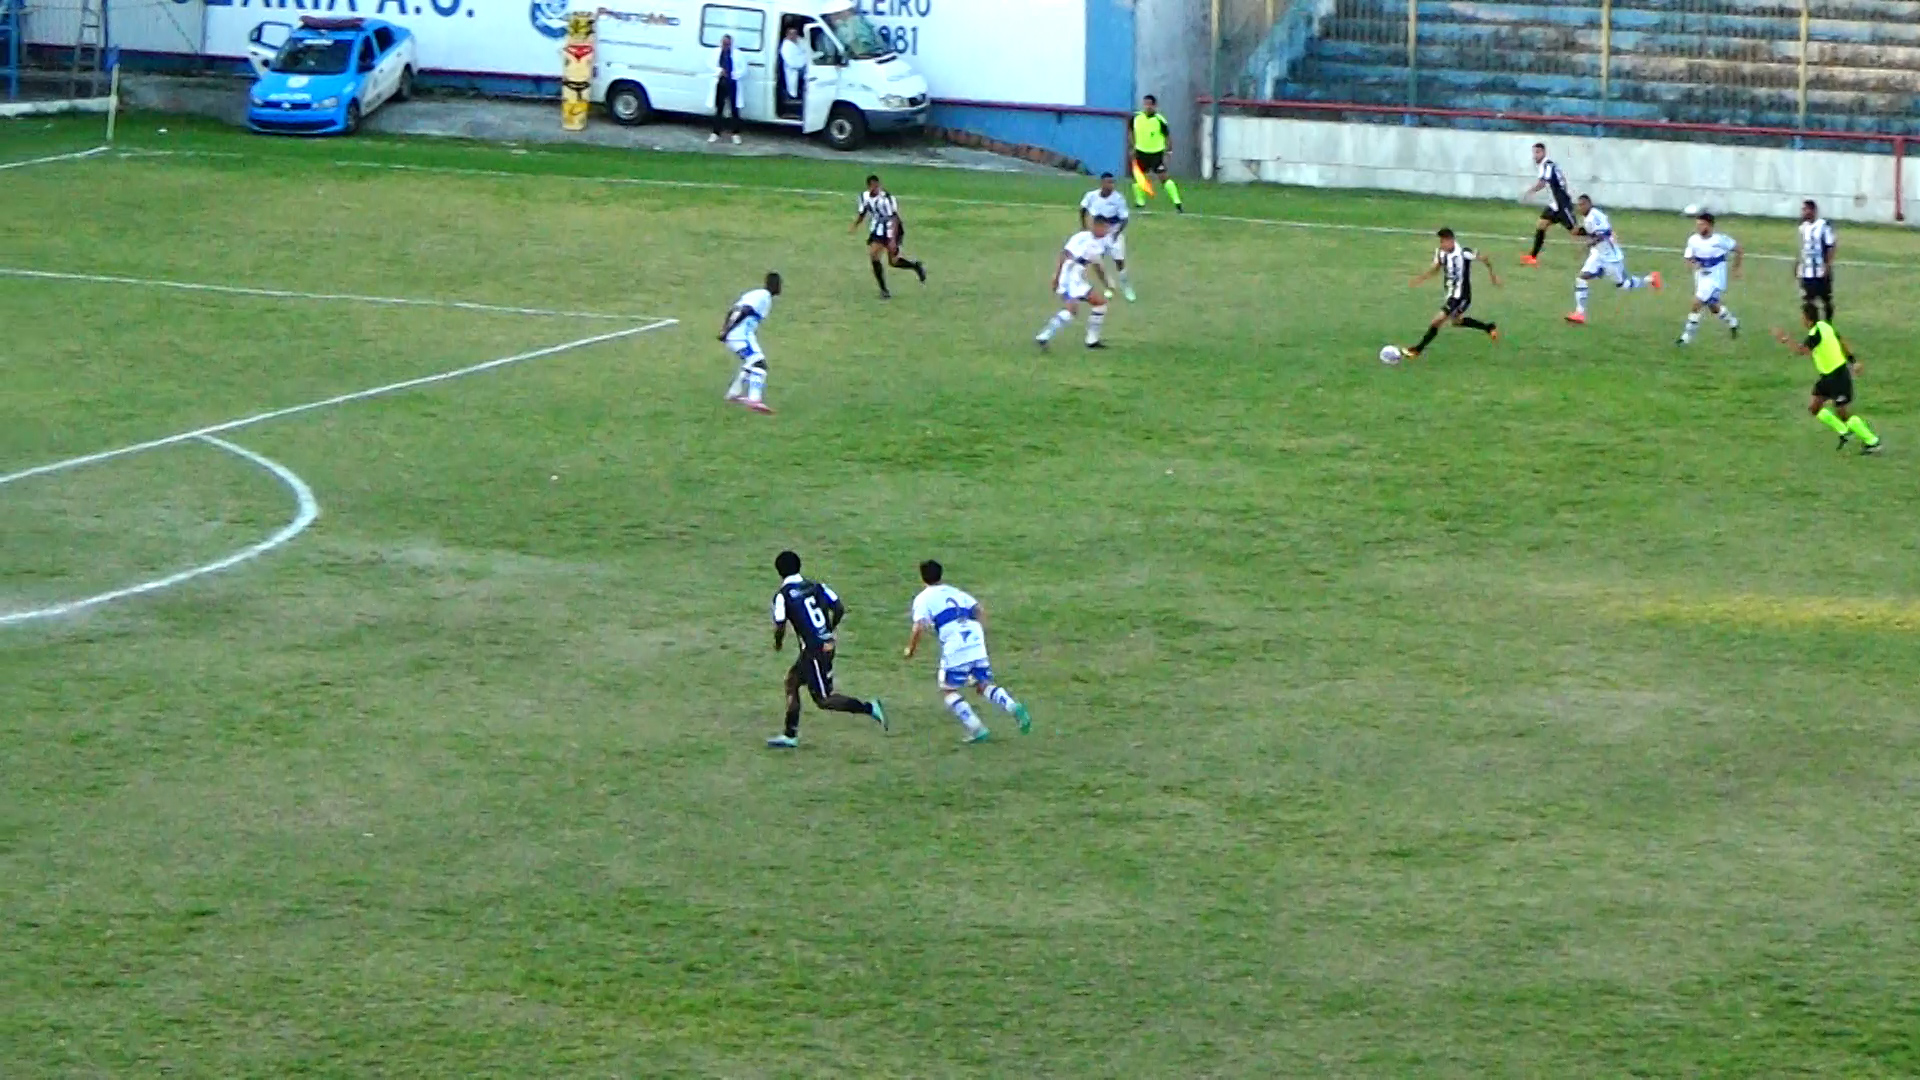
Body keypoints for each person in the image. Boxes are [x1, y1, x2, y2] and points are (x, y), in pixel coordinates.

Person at [767, 550, 886, 749]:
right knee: (792, 681)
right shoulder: (817, 586)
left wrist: (778, 643)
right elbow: (838, 607)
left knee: (824, 699)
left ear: (779, 571)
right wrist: (828, 630)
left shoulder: (783, 595)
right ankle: (790, 734)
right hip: (824, 646)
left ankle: (869, 708)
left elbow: (780, 624)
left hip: (814, 651)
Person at [902, 559, 1030, 744]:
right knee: (982, 684)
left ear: (922, 578)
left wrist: (910, 649)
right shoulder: (955, 592)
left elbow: (919, 626)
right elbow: (979, 610)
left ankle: (976, 729)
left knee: (948, 689)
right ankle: (1013, 706)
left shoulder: (923, 598)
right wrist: (980, 635)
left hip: (957, 644)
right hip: (975, 637)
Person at [1773, 307, 1881, 455]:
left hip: (1838, 375)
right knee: (1814, 407)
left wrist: (1786, 340)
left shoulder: (1816, 333)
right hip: (1827, 376)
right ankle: (1844, 431)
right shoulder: (1825, 326)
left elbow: (1801, 351)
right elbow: (1841, 341)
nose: (1801, 320)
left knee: (1842, 412)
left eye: (1803, 317)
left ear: (1808, 319)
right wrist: (1853, 361)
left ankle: (1872, 441)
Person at [1403, 227, 1500, 359]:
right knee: (1456, 322)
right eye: (1440, 242)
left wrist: (1493, 276)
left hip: (1461, 296)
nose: (1441, 245)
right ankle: (1489, 327)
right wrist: (1420, 279)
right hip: (1451, 293)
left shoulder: (1464, 253)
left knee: (1437, 321)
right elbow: (1436, 268)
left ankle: (1417, 350)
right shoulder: (1441, 252)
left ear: (1451, 241)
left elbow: (1485, 259)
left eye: (1443, 241)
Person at [1565, 195, 1660, 324]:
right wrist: (1579, 231)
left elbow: (1603, 235)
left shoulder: (1595, 215)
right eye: (1578, 205)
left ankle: (1650, 279)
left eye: (1582, 204)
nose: (1580, 207)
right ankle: (1580, 313)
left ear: (1589, 204)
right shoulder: (1587, 217)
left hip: (1611, 257)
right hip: (1598, 254)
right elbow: (1591, 231)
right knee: (1581, 278)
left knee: (1624, 285)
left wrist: (1587, 245)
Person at [1035, 218, 1114, 349]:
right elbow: (1064, 255)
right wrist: (1056, 276)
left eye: (1107, 228)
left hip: (1077, 278)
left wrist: (1107, 283)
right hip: (1068, 276)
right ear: (1095, 226)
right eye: (1104, 228)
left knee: (1100, 304)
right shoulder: (1081, 237)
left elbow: (1098, 266)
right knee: (1072, 310)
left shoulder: (1100, 244)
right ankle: (1044, 335)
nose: (1106, 231)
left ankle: (1092, 340)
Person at [850, 174, 926, 300]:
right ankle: (884, 290)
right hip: (878, 230)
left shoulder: (887, 198)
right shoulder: (864, 197)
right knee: (874, 255)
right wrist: (855, 225)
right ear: (869, 186)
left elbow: (894, 218)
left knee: (894, 262)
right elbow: (862, 212)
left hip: (893, 229)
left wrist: (892, 240)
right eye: (873, 186)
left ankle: (915, 266)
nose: (875, 188)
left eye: (877, 185)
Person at [720, 271, 780, 414]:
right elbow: (744, 310)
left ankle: (734, 393)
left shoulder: (756, 294)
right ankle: (755, 399)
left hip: (738, 335)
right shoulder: (763, 296)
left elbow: (734, 309)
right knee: (759, 364)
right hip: (741, 336)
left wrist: (725, 329)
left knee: (751, 362)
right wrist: (727, 330)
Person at [1678, 211, 1741, 345]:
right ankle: (1732, 322)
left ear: (1710, 225)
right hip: (1701, 275)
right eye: (1697, 225)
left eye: (1701, 225)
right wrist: (1694, 264)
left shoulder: (1719, 240)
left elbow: (1739, 249)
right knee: (1713, 306)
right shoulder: (1693, 240)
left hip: (1716, 277)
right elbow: (1689, 257)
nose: (1699, 228)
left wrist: (1736, 268)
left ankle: (1686, 337)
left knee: (1696, 302)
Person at [1520, 143, 1581, 265]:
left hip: (1561, 204)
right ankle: (1532, 257)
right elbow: (1560, 180)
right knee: (1541, 225)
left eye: (1537, 152)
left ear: (1544, 153)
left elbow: (1543, 182)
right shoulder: (1548, 165)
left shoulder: (1547, 165)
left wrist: (1530, 191)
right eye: (1534, 152)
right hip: (1554, 204)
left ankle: (1601, 236)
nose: (1535, 156)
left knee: (1575, 231)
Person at [1079, 172, 1134, 302]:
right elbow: (1083, 210)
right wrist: (1084, 226)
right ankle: (1108, 287)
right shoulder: (1091, 196)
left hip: (1113, 231)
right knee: (1097, 260)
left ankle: (1126, 286)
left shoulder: (1118, 199)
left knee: (1119, 261)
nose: (1111, 185)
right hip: (1098, 232)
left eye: (1112, 182)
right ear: (1102, 183)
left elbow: (1125, 219)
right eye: (1108, 182)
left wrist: (1116, 233)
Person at [1127, 94, 1183, 213]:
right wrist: (1132, 147)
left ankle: (1177, 203)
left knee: (1164, 178)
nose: (1147, 107)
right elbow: (1131, 132)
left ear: (1155, 106)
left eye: (1149, 104)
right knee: (1138, 178)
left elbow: (1167, 136)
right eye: (1145, 104)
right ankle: (1140, 203)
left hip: (1156, 154)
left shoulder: (1160, 120)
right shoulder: (1136, 118)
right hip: (1141, 153)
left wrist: (1169, 151)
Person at [1797, 199, 1838, 322]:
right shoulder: (1802, 228)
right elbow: (1802, 248)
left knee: (1826, 300)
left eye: (1805, 209)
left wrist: (1827, 265)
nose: (1803, 212)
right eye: (1802, 210)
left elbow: (1831, 245)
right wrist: (1797, 265)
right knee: (1808, 300)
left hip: (1821, 271)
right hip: (1807, 272)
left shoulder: (1823, 226)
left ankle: (1828, 323)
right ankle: (1815, 326)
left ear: (1813, 211)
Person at [710, 33, 742, 144]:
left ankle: (735, 134)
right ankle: (715, 133)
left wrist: (734, 74)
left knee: (734, 110)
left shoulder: (737, 54)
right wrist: (719, 71)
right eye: (724, 43)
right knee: (719, 108)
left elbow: (744, 69)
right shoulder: (716, 53)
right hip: (720, 83)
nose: (726, 45)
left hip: (732, 83)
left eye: (728, 43)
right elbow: (709, 65)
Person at [778, 25, 809, 116]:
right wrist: (805, 59)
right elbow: (793, 63)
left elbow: (807, 48)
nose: (794, 35)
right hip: (793, 74)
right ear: (787, 34)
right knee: (794, 93)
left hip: (801, 73)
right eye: (791, 34)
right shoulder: (786, 47)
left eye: (795, 33)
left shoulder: (799, 41)